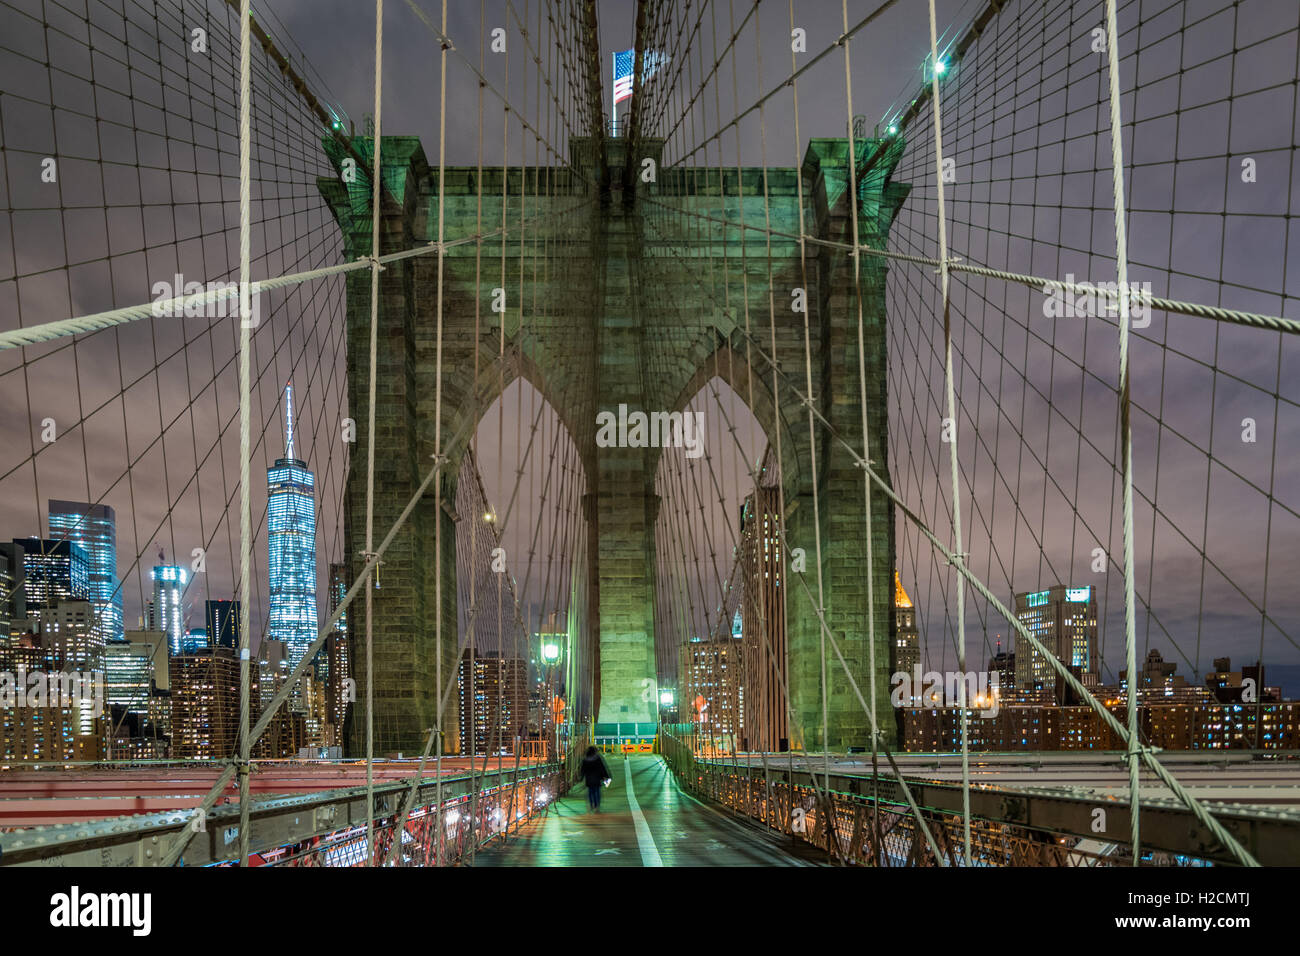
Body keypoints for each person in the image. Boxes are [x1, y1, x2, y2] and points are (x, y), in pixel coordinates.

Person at [577, 745, 611, 812]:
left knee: (590, 792)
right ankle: (597, 805)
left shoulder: (585, 760)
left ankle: (591, 804)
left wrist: (581, 777)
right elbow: (602, 768)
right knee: (597, 792)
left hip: (589, 779)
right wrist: (606, 776)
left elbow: (583, 770)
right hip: (597, 778)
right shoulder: (597, 758)